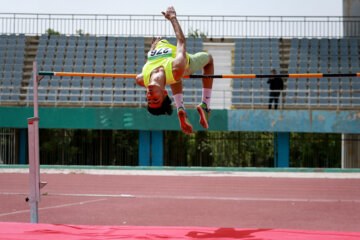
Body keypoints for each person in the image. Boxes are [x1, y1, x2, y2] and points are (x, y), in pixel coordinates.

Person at [136, 6, 214, 134]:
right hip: (186, 63)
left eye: (148, 100)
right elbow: (181, 42)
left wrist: (151, 50)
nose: (150, 96)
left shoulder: (141, 79)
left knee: (172, 77)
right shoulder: (176, 68)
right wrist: (172, 18)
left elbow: (148, 64)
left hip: (164, 55)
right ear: (164, 93)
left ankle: (180, 108)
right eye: (155, 99)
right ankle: (205, 104)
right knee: (209, 59)